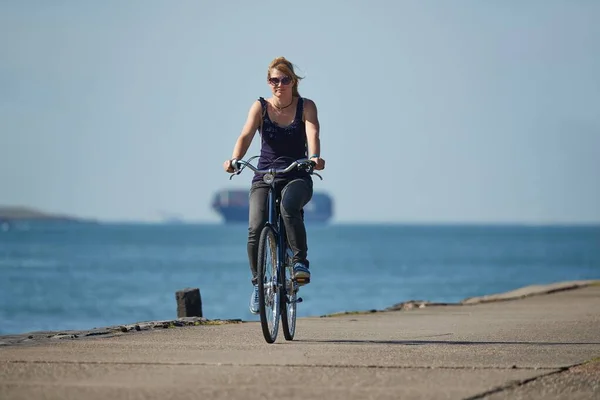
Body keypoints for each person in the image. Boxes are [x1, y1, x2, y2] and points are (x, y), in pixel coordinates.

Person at [223, 56, 325, 314]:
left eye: (285, 79)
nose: (279, 84)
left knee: (289, 208)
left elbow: (313, 133)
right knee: (255, 228)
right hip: (265, 175)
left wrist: (314, 158)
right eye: (274, 80)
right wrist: (235, 159)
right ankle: (258, 285)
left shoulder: (306, 106)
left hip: (297, 174)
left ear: (294, 81)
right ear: (269, 83)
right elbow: (245, 134)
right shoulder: (260, 107)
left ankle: (300, 263)